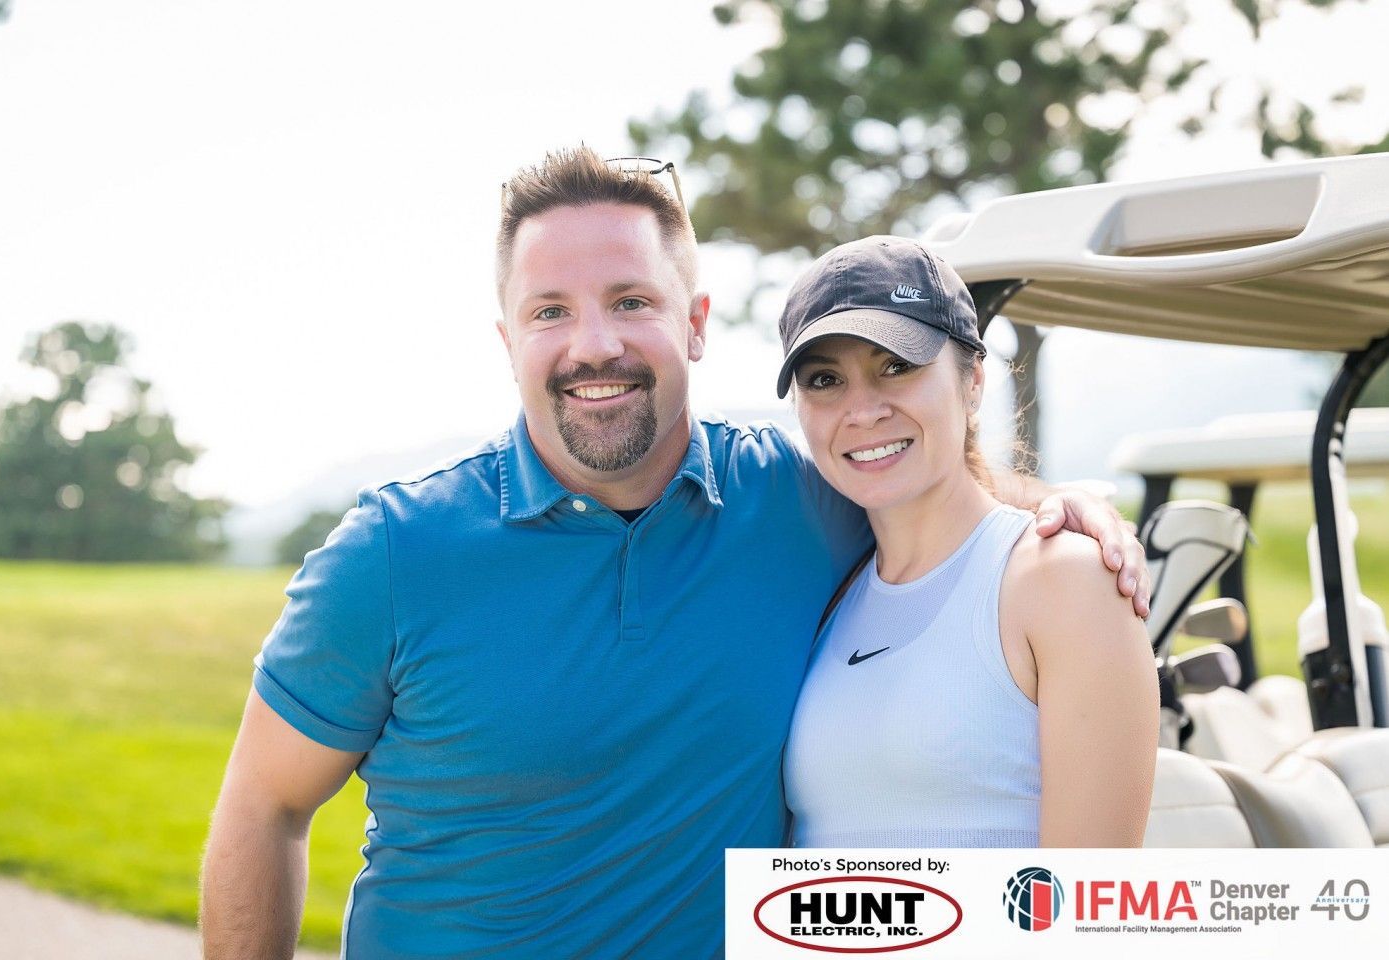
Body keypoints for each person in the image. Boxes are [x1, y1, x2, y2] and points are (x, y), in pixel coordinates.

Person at [198, 147, 1152, 959]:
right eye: (550, 312)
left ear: (694, 325)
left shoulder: (794, 501)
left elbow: (925, 479)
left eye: (630, 300)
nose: (593, 344)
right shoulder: (393, 554)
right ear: (507, 340)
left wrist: (1063, 507)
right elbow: (259, 809)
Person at [779, 236, 1160, 848]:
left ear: (973, 382)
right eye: (825, 379)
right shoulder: (830, 581)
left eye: (896, 366)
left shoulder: (1062, 580)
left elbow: (1088, 912)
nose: (863, 411)